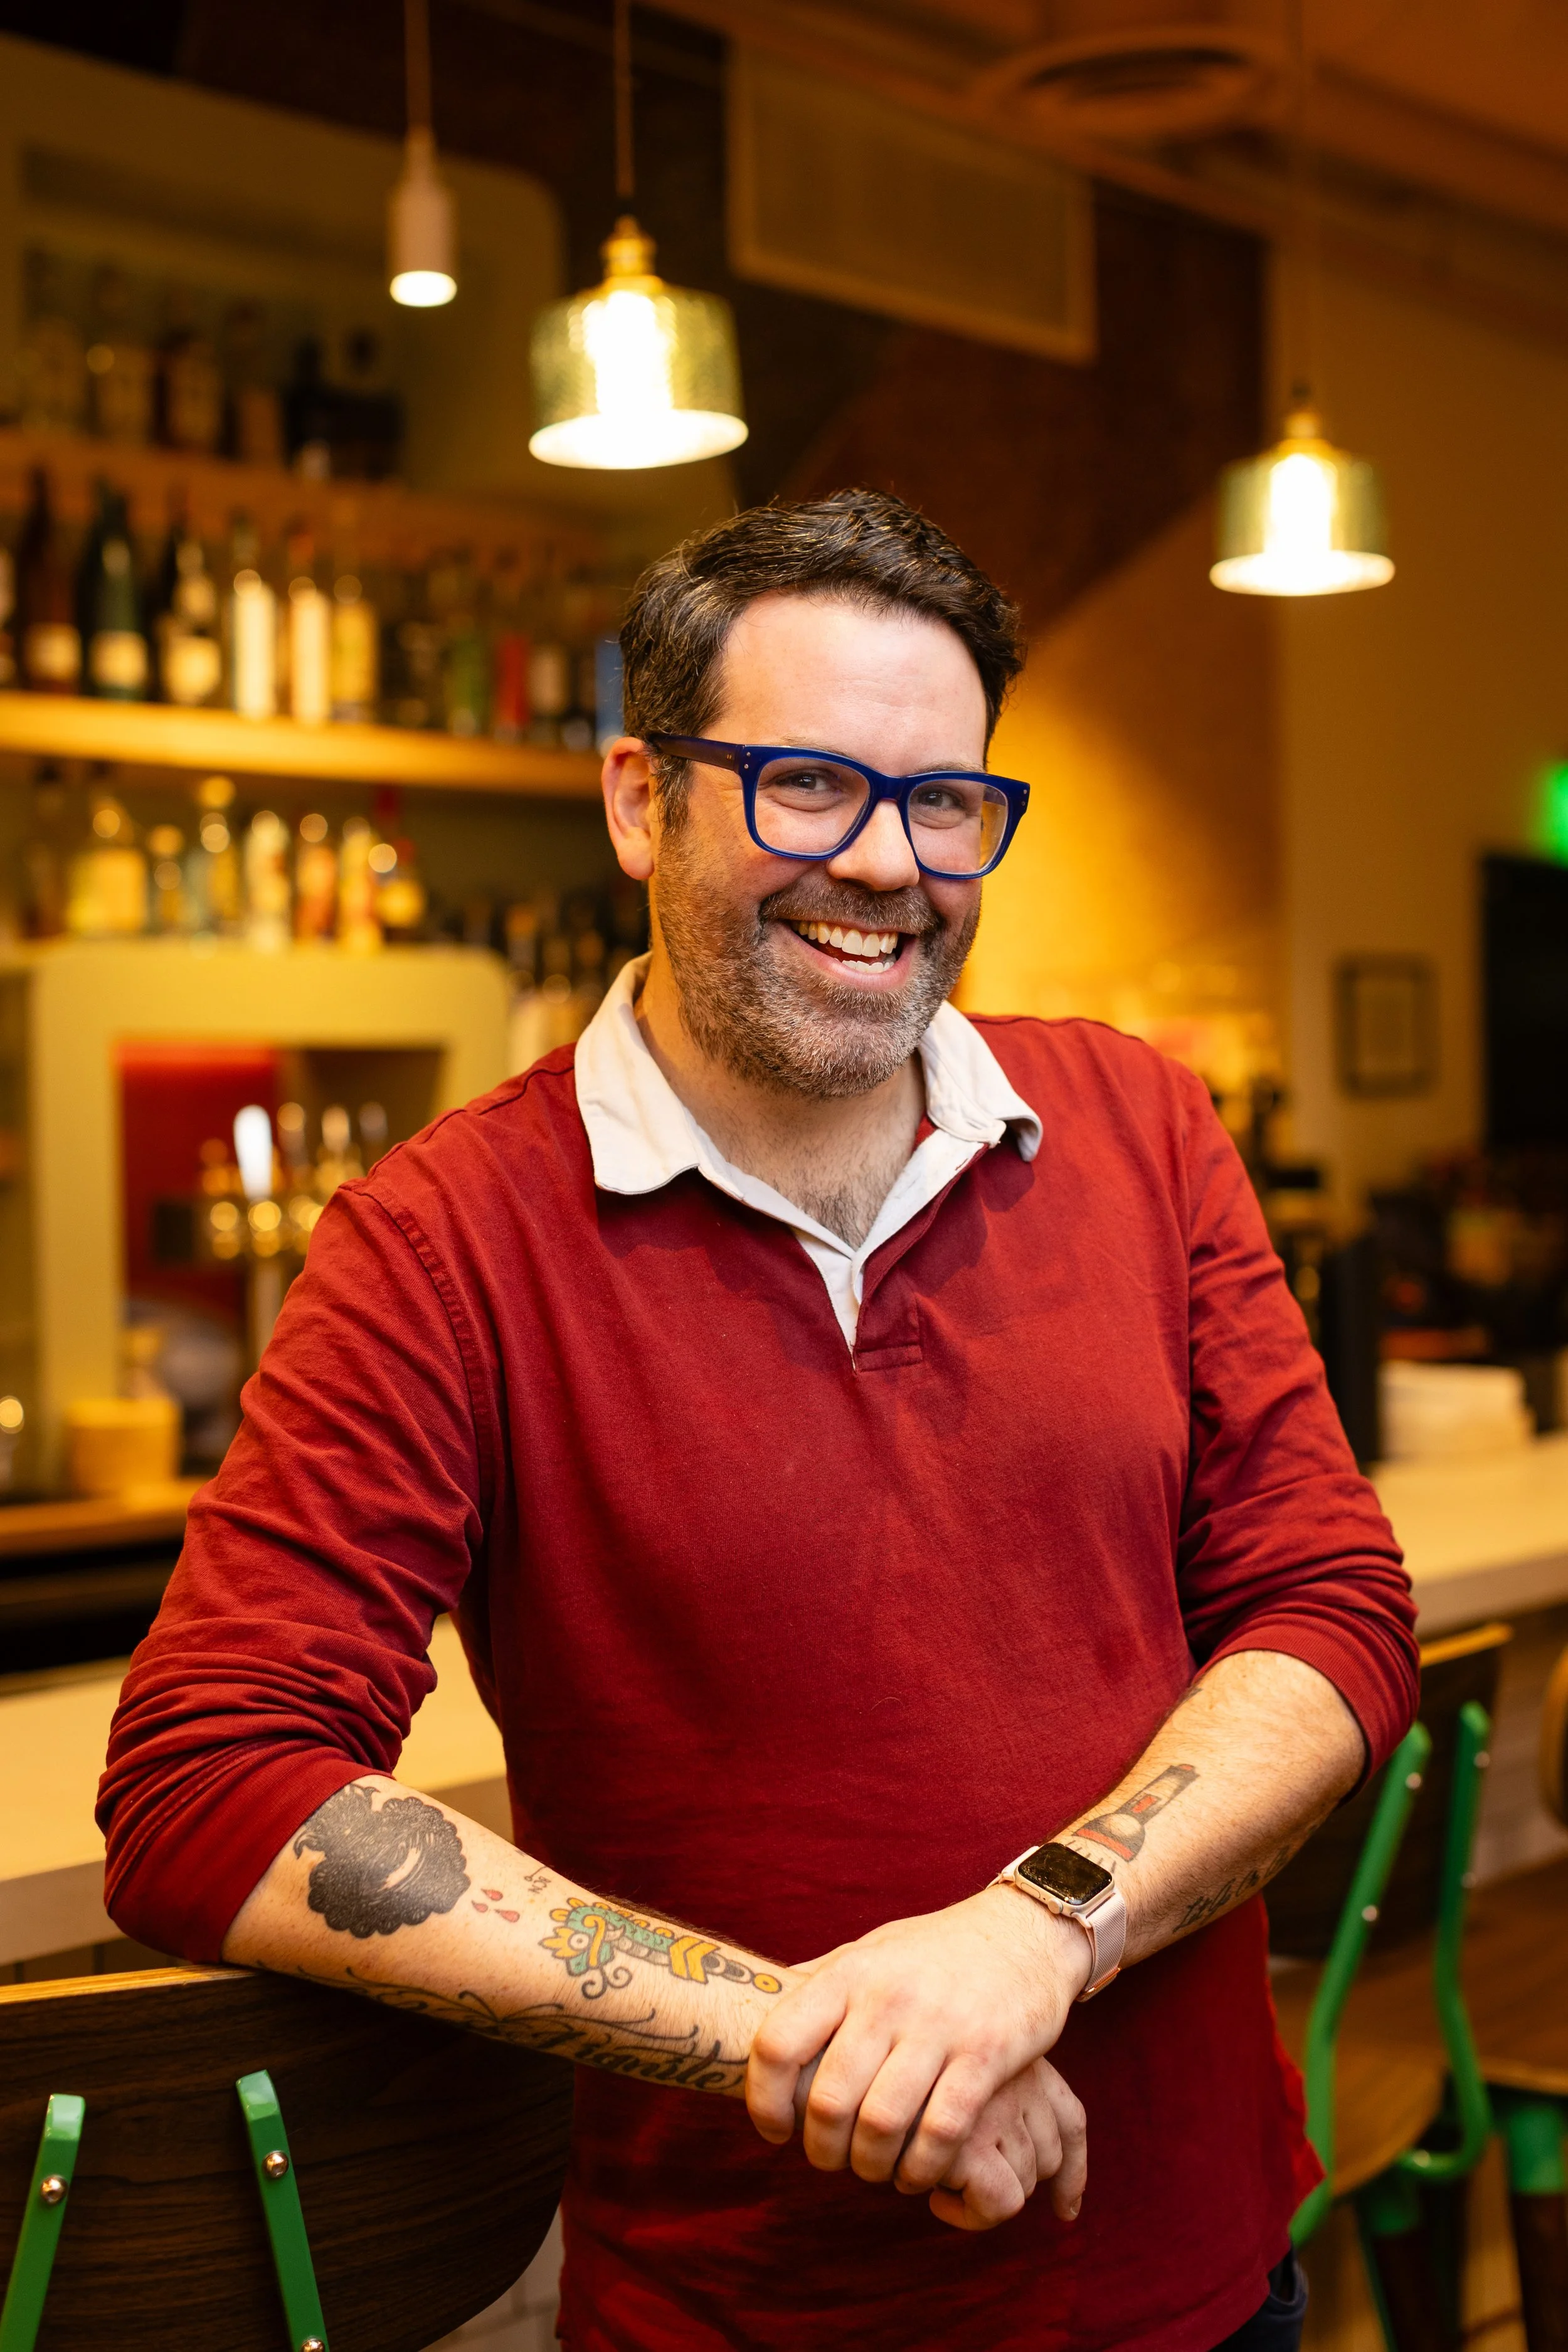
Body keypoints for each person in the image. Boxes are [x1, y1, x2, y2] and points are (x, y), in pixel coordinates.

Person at [100, 490, 1416, 2352]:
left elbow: (1331, 1606)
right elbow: (209, 1776)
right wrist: (815, 2034)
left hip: (1196, 2280)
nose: (884, 864)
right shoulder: (440, 1241)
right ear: (641, 797)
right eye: (806, 784)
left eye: (943, 802)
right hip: (744, 2312)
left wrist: (1032, 1930)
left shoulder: (1141, 1127)